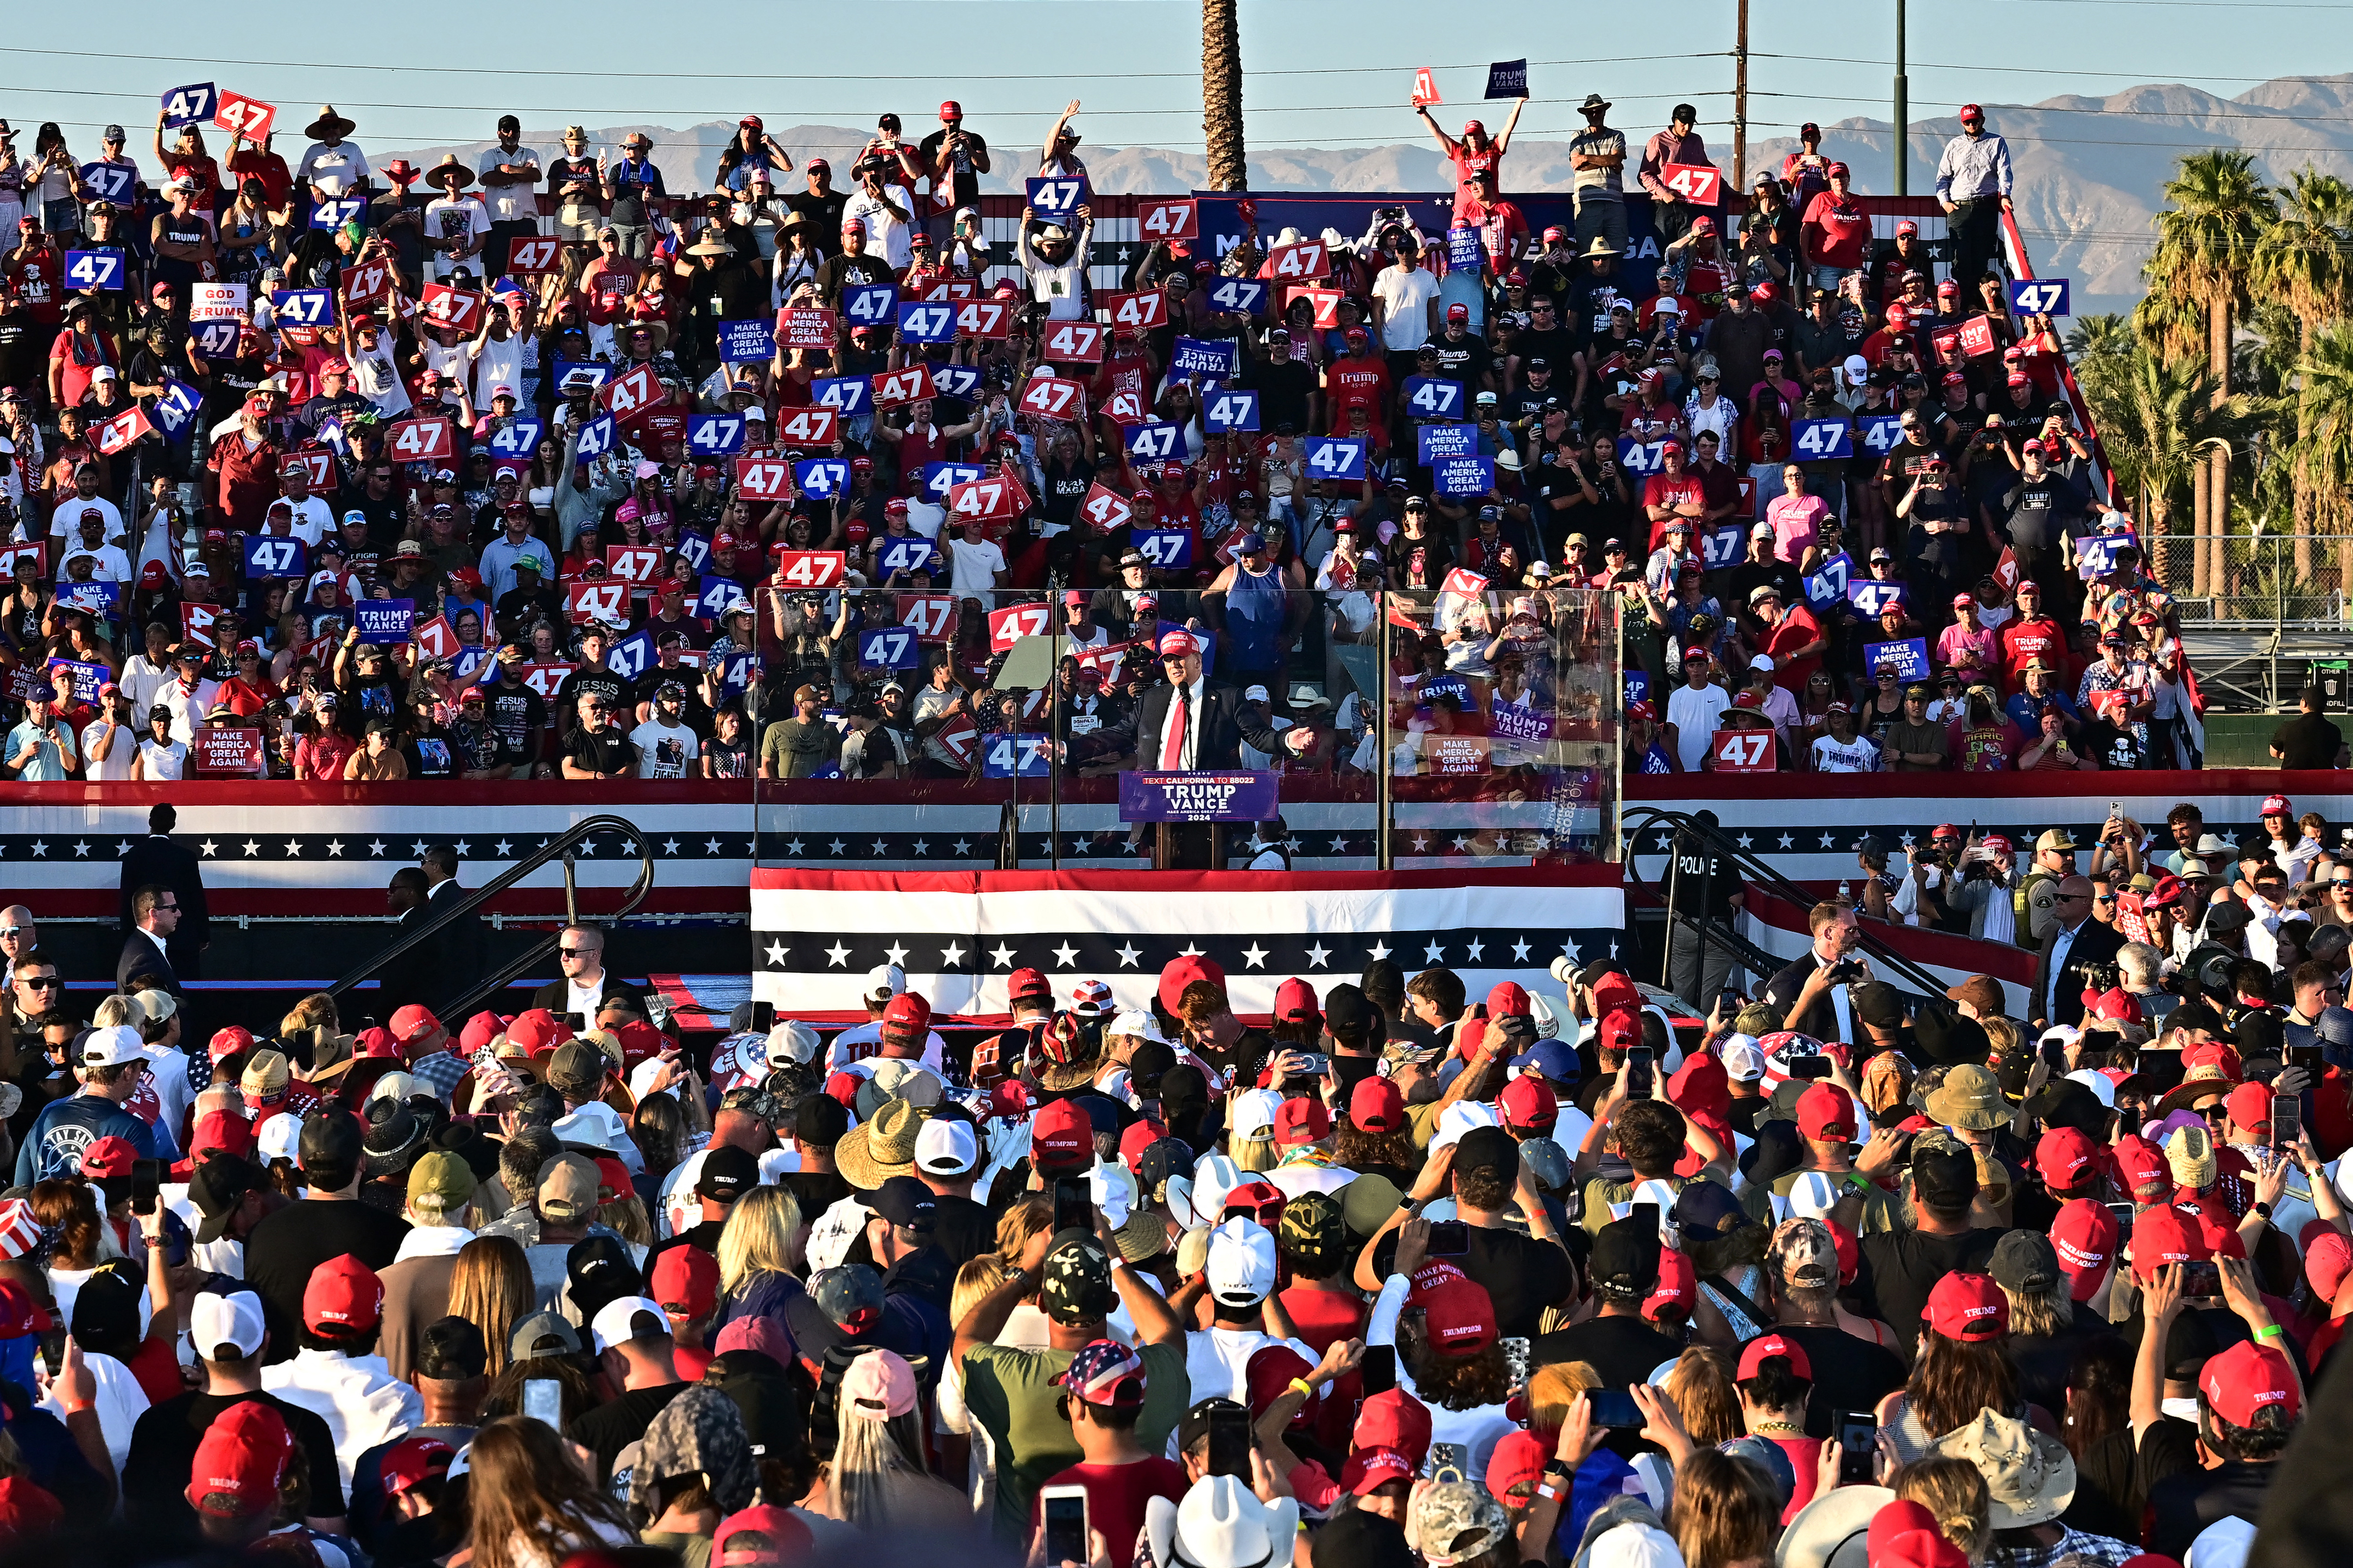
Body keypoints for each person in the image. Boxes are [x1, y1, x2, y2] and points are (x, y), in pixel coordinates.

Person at [117, 803, 208, 981]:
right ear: (173, 825)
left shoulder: (133, 857)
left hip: (144, 942)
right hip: (183, 941)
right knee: (186, 993)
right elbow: (196, 897)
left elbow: (128, 900)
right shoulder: (186, 857)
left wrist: (128, 937)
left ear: (150, 822)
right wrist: (203, 934)